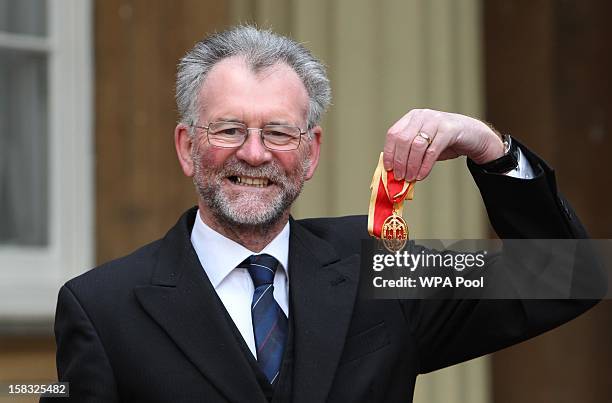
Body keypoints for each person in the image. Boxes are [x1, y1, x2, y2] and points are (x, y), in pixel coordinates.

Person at [44, 25, 601, 403]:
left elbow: (567, 277)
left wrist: (488, 147)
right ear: (188, 146)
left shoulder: (381, 268)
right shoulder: (101, 308)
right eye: (230, 129)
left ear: (310, 153)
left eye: (279, 133)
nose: (255, 152)